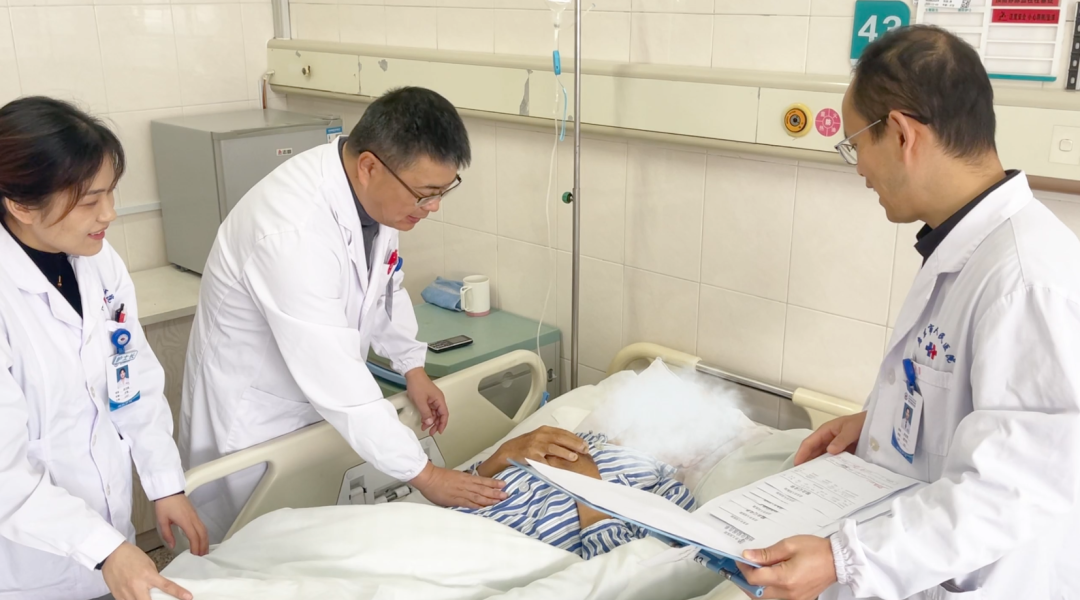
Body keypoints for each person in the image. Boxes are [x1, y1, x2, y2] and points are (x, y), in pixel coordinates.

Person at [736, 25, 1080, 600]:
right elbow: (965, 405)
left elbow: (1012, 490)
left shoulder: (1025, 281)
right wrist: (879, 424)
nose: (858, 169)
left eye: (855, 144)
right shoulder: (967, 247)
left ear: (901, 134)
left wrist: (844, 558)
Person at [179, 86, 509, 543]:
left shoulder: (376, 199)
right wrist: (427, 475)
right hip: (256, 421)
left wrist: (412, 367)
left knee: (311, 545)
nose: (432, 207)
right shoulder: (292, 231)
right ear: (370, 166)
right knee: (246, 551)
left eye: (442, 192)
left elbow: (385, 286)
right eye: (425, 194)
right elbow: (334, 371)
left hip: (312, 411)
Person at [0, 97, 209, 600]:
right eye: (89, 200)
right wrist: (104, 548)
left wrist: (164, 482)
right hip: (26, 569)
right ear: (21, 205)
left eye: (111, 192)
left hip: (107, 547)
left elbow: (132, 378)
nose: (110, 213)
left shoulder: (97, 259)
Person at [456, 426, 695, 559]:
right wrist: (501, 456)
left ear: (690, 456)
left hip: (495, 557)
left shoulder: (666, 491)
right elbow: (458, 488)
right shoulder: (581, 438)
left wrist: (586, 484)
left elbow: (623, 573)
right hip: (451, 521)